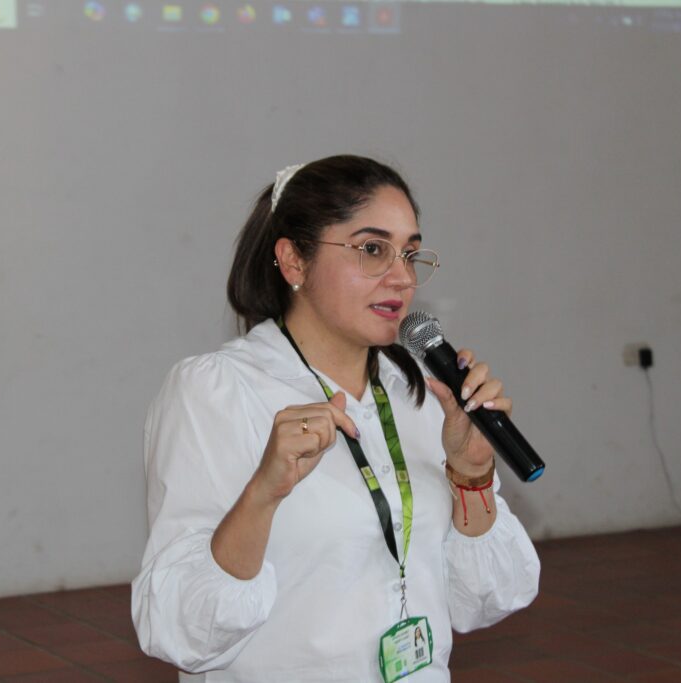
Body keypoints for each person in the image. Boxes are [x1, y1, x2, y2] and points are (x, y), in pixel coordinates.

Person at [132, 155, 540, 682]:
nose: (401, 277)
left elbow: (487, 600)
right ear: (294, 262)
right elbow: (177, 632)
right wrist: (263, 492)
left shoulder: (422, 394)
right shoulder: (218, 392)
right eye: (373, 249)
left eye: (410, 253)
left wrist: (470, 474)